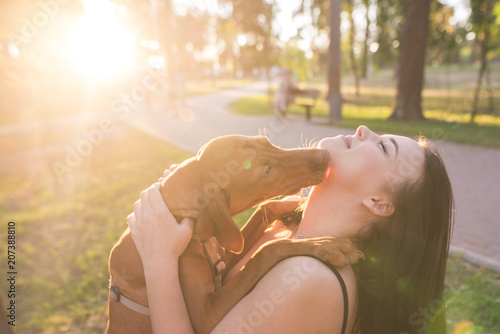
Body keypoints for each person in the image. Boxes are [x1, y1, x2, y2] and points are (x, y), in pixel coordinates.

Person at [128, 125, 454, 333]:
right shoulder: (282, 227)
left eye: (383, 147)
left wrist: (159, 260)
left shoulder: (310, 279)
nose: (363, 129)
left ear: (378, 203)